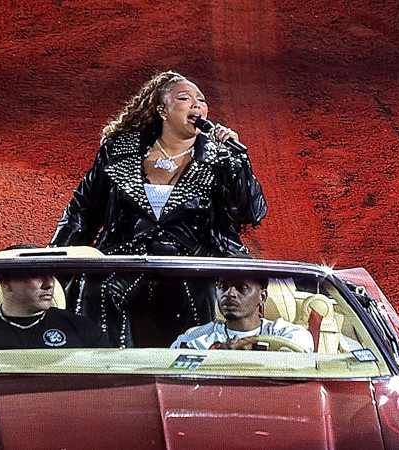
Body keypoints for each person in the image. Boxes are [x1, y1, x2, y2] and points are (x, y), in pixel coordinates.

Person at [50, 71, 268, 347]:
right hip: (125, 258)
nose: (197, 104)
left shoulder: (220, 157)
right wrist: (52, 264)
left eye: (201, 100)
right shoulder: (119, 151)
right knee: (97, 287)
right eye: (185, 98)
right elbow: (82, 211)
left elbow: (251, 213)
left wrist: (238, 162)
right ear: (161, 109)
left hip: (192, 262)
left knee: (201, 294)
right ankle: (110, 369)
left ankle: (194, 368)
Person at [0, 273, 110, 350]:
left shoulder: (83, 329)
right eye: (36, 275)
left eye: (50, 274)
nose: (49, 284)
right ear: (6, 284)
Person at [170, 277, 314, 351]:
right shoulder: (198, 338)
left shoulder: (288, 333)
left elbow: (299, 355)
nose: (230, 294)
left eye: (241, 288)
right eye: (223, 287)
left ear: (262, 297)